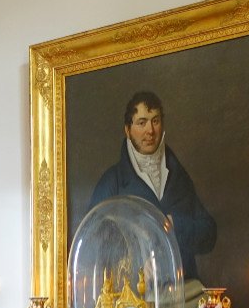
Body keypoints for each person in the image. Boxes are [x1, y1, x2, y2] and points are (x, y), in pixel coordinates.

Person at [87, 91, 217, 283]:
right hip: (135, 294)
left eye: (155, 121)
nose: (150, 130)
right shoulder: (112, 182)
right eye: (142, 122)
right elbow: (93, 246)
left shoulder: (178, 176)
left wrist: (175, 225)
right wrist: (136, 266)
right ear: (127, 129)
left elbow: (209, 234)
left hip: (185, 289)